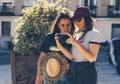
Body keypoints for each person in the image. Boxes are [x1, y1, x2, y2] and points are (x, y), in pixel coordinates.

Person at [55, 6, 102, 84]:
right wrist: (59, 45)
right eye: (74, 20)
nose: (76, 22)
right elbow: (72, 57)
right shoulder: (78, 34)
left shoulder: (94, 33)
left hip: (87, 70)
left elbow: (91, 58)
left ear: (86, 19)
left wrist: (76, 43)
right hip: (75, 70)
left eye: (79, 19)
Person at [35, 12, 75, 84]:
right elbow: (41, 58)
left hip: (66, 78)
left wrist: (70, 66)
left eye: (68, 25)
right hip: (49, 77)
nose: (65, 28)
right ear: (58, 25)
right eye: (62, 25)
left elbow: (75, 60)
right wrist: (39, 78)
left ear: (72, 25)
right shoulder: (49, 37)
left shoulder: (73, 40)